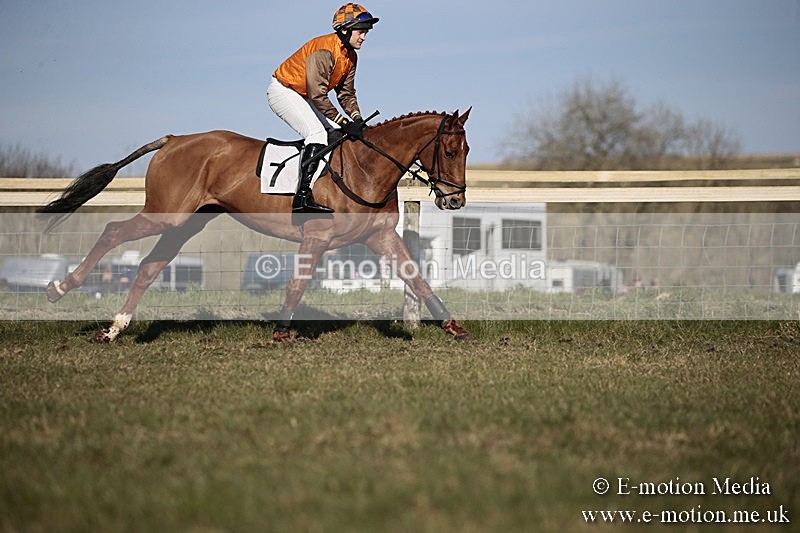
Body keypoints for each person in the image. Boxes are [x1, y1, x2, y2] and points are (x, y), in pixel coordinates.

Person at [267, 3, 379, 214]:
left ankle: (322, 188)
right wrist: (345, 122)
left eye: (366, 33)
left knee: (336, 133)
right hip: (284, 91)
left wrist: (356, 119)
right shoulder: (324, 50)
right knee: (317, 134)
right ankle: (301, 198)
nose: (364, 37)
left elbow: (346, 94)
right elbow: (318, 95)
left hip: (304, 95)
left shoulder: (351, 56)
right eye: (361, 32)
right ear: (345, 30)